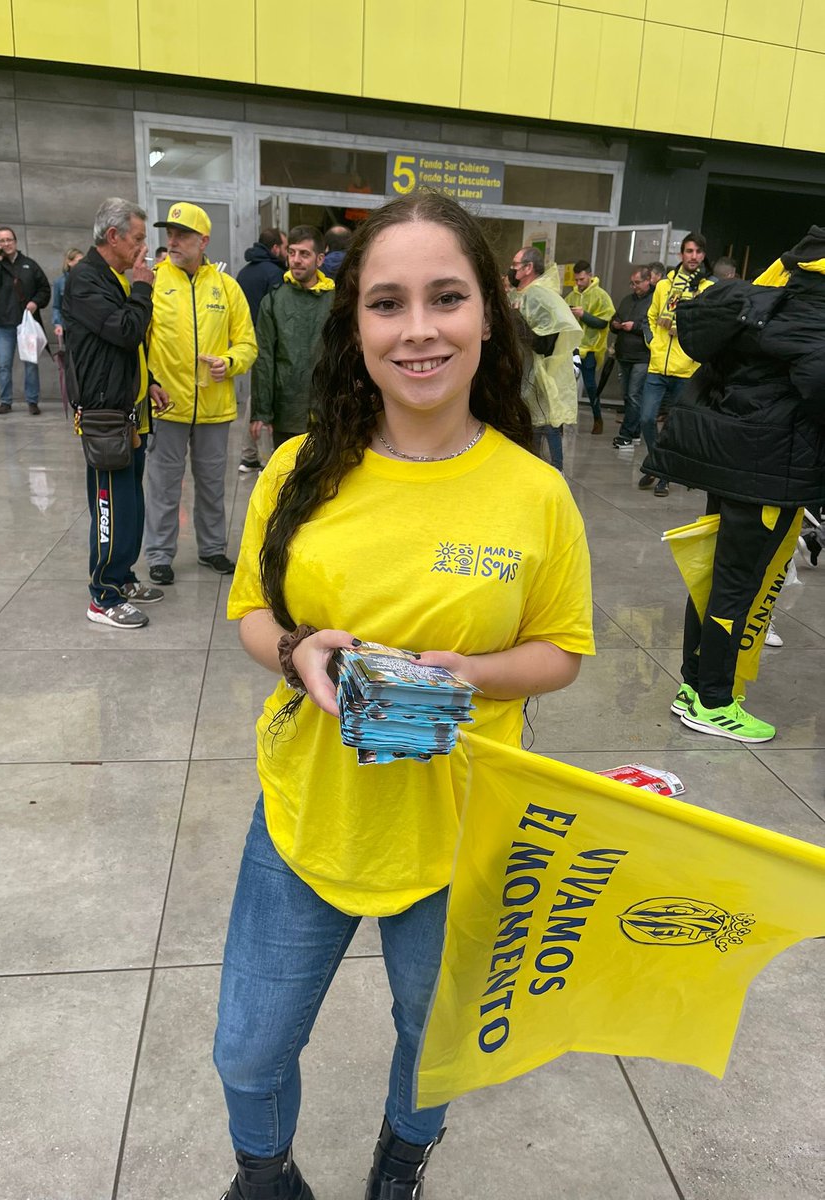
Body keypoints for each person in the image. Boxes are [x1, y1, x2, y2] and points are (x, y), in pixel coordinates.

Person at [215, 191, 595, 1200]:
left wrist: (472, 673)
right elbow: (251, 610)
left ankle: (401, 1165)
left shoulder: (535, 492)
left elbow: (563, 649)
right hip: (309, 813)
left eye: (446, 297)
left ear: (489, 317)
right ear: (356, 325)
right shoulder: (298, 470)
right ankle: (265, 1179)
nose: (418, 328)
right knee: (248, 1051)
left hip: (461, 827)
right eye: (387, 303)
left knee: (433, 1040)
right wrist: (297, 650)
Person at [647, 225, 825, 742]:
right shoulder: (816, 313)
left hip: (735, 458)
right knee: (740, 585)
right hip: (771, 470)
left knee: (715, 575)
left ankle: (694, 685)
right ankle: (714, 700)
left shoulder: (770, 297)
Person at [62, 197, 164, 629]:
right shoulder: (85, 280)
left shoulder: (113, 279)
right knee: (110, 507)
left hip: (129, 412)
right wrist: (142, 288)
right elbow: (124, 330)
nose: (143, 248)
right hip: (104, 417)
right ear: (113, 236)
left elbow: (127, 348)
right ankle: (102, 595)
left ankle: (121, 577)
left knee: (130, 505)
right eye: (138, 239)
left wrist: (149, 381)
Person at [143, 202, 258, 585]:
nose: (173, 241)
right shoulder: (153, 283)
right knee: (163, 486)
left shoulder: (226, 288)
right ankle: (159, 555)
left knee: (211, 485)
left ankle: (211, 549)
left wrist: (230, 362)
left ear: (203, 241)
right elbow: (138, 344)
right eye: (170, 234)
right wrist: (149, 382)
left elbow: (248, 344)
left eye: (182, 235)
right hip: (167, 406)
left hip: (214, 408)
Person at [638, 233, 713, 497]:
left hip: (686, 368)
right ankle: (657, 462)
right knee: (646, 418)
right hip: (658, 365)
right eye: (689, 251)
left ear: (703, 256)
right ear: (681, 254)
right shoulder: (663, 285)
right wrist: (654, 344)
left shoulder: (706, 288)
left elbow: (707, 327)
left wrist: (689, 339)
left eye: (698, 252)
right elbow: (649, 318)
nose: (693, 256)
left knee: (674, 427)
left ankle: (663, 474)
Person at [251, 226, 335, 449]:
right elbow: (264, 359)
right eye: (291, 252)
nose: (296, 260)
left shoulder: (336, 302)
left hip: (328, 411)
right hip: (286, 412)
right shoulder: (273, 301)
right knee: (287, 469)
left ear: (319, 259)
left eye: (304, 254)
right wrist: (261, 412)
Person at [508, 247, 580, 471]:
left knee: (547, 421)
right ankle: (537, 466)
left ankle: (556, 469)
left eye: (515, 265)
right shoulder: (530, 293)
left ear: (528, 268)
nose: (511, 269)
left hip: (543, 368)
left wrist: (516, 321)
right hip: (534, 366)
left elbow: (543, 338)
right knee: (536, 420)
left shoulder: (538, 295)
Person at [0, 226, 51, 415]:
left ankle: (32, 401)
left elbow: (44, 289)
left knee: (31, 363)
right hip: (4, 323)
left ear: (15, 241)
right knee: (4, 365)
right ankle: (5, 401)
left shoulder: (29, 264)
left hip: (26, 324)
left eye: (9, 239)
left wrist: (35, 302)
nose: (6, 244)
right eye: (2, 241)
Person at [235, 227, 289, 472]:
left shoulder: (245, 272)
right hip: (265, 344)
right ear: (275, 248)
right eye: (286, 249)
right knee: (260, 398)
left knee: (254, 395)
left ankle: (249, 455)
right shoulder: (274, 274)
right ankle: (259, 457)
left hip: (246, 341)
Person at [565, 259, 615, 434]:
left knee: (590, 385)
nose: (578, 283)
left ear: (590, 276)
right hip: (572, 347)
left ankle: (597, 418)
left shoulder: (601, 296)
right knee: (566, 385)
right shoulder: (571, 296)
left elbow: (603, 322)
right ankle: (561, 422)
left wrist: (583, 315)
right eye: (576, 280)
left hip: (591, 348)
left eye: (582, 279)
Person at [610, 265, 653, 449]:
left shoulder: (654, 300)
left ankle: (626, 434)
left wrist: (634, 326)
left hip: (642, 356)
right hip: (624, 354)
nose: (634, 287)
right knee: (627, 395)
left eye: (637, 283)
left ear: (648, 280)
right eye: (632, 283)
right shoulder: (627, 300)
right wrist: (615, 324)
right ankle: (635, 431)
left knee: (634, 394)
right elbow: (615, 317)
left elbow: (653, 327)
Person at [51, 247, 84, 343]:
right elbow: (57, 306)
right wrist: (58, 324)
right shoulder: (59, 282)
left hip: (86, 325)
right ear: (69, 262)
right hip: (68, 326)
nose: (82, 264)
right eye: (79, 261)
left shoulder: (88, 280)